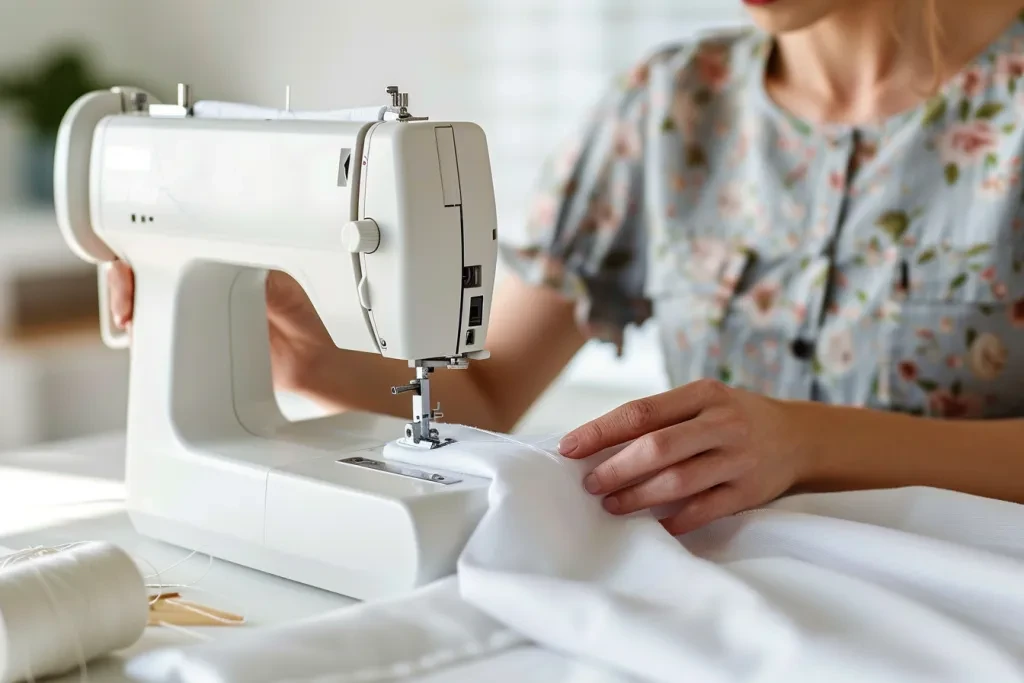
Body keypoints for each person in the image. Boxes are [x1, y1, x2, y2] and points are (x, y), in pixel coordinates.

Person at [108, 0, 1024, 535]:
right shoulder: (669, 105)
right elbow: (491, 388)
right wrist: (299, 352)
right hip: (737, 610)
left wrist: (807, 439)